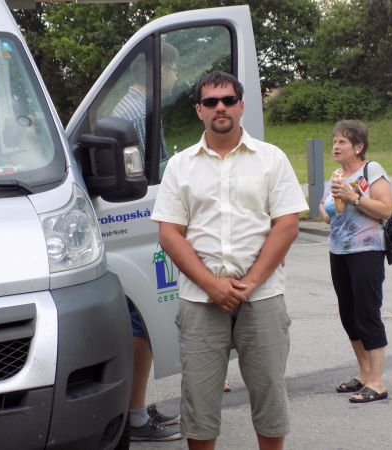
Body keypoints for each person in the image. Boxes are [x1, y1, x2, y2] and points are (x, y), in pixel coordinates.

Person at [151, 71, 308, 450]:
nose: (220, 107)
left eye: (227, 100)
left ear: (241, 106)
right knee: (199, 400)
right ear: (199, 110)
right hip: (200, 299)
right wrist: (212, 285)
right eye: (211, 102)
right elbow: (170, 234)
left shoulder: (271, 159)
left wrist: (249, 282)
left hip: (263, 295)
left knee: (270, 394)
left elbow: (287, 225)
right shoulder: (180, 166)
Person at [112, 42, 182, 442]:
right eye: (174, 71)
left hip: (143, 224)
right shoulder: (136, 114)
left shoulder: (134, 109)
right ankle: (134, 415)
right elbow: (143, 177)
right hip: (140, 225)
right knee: (141, 323)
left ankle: (135, 407)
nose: (176, 78)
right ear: (161, 72)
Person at [319, 120, 392, 403]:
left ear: (358, 147)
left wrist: (354, 197)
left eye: (342, 142)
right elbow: (326, 211)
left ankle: (377, 382)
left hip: (367, 250)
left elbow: (385, 209)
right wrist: (326, 209)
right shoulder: (336, 175)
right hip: (338, 251)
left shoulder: (371, 170)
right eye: (334, 141)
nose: (335, 146)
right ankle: (363, 373)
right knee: (348, 315)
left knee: (367, 312)